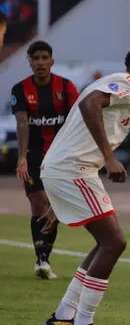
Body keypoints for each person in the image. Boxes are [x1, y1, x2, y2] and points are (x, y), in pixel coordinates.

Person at [38, 44, 130, 325]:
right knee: (113, 242)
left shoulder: (124, 94)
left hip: (71, 170)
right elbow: (89, 105)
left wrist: (60, 202)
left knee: (105, 243)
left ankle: (63, 318)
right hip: (74, 169)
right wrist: (109, 158)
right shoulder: (127, 84)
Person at [10, 40, 79, 279]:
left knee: (53, 207)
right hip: (33, 156)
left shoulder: (67, 87)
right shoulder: (20, 89)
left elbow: (75, 122)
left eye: (44, 58)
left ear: (52, 61)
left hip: (60, 157)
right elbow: (22, 124)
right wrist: (21, 158)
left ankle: (44, 256)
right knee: (38, 204)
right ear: (29, 61)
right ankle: (42, 259)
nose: (40, 63)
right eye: (35, 58)